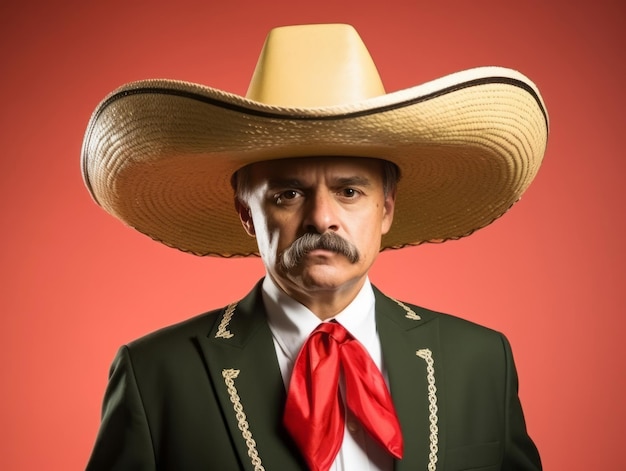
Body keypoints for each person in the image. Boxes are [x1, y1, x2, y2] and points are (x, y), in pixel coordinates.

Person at [82, 23, 547, 470]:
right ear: (247, 214)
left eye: (349, 192)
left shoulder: (481, 360)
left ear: (386, 209)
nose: (322, 218)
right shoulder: (154, 373)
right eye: (288, 194)